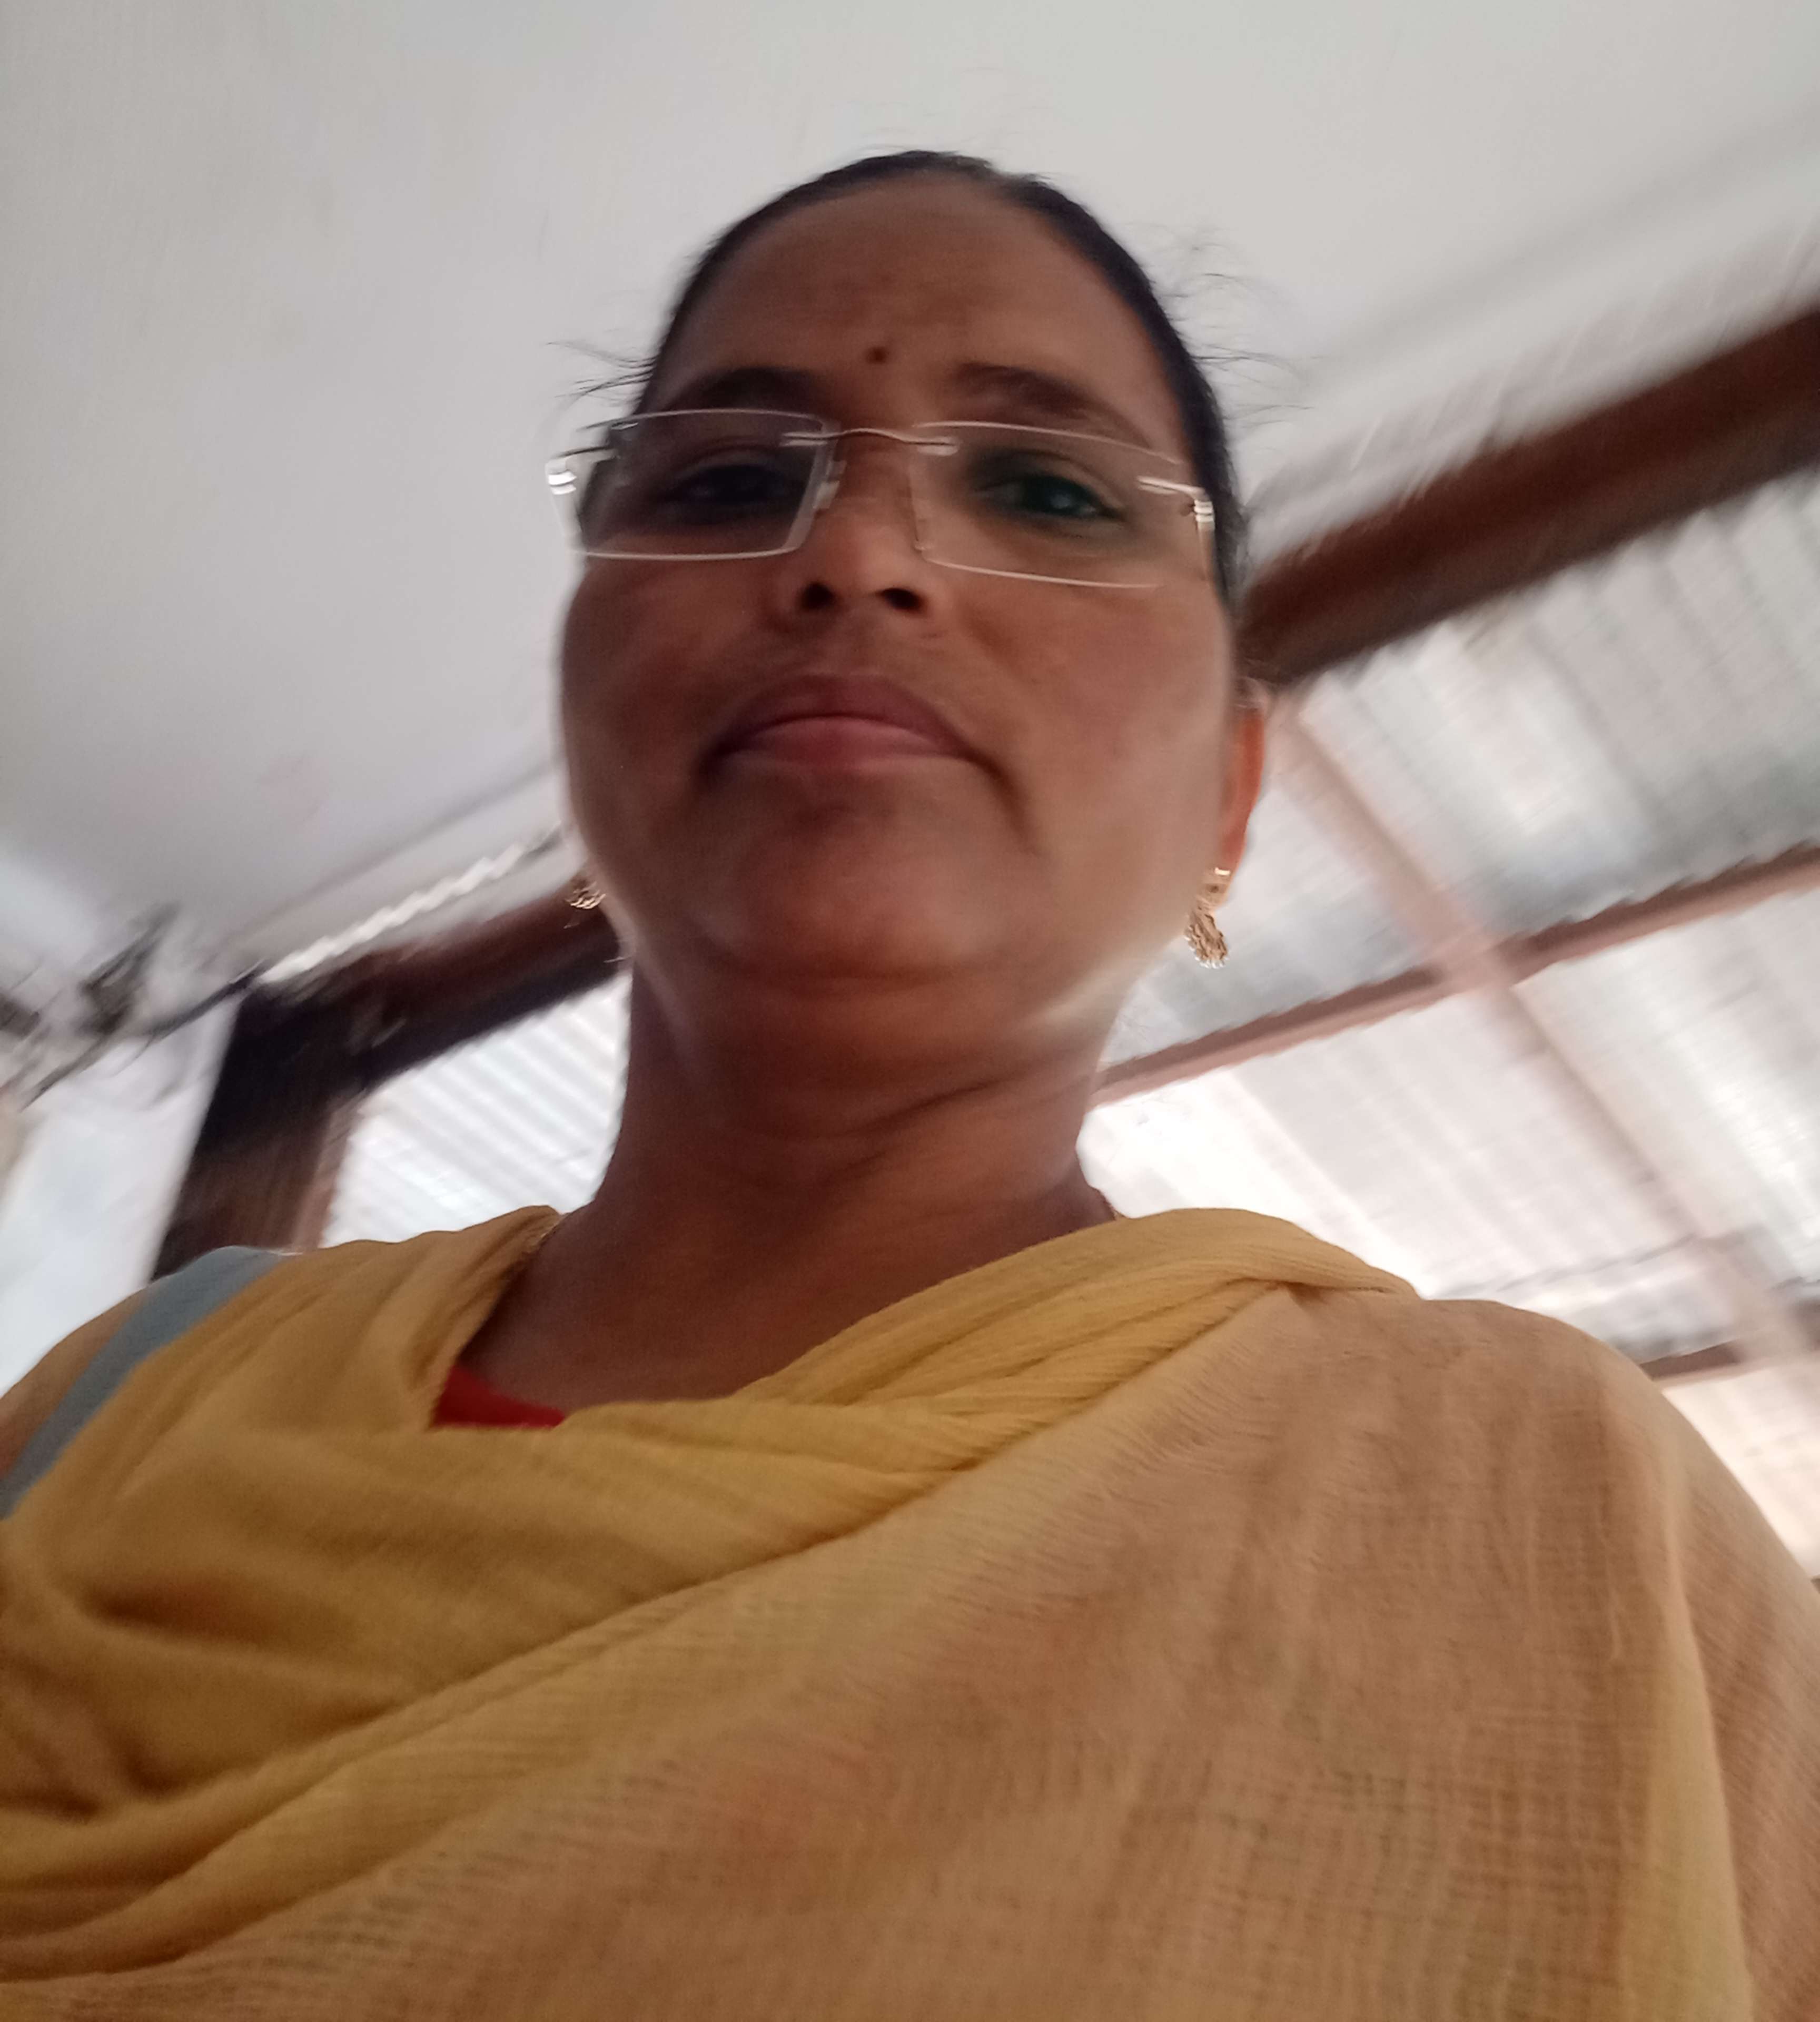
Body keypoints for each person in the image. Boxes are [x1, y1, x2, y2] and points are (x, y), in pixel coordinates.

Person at [1, 152, 1815, 2020]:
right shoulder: (134, 1396)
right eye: (724, 481)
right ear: (578, 698)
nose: (858, 557)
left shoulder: (1559, 1536)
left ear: (1227, 797)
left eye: (1047, 489)